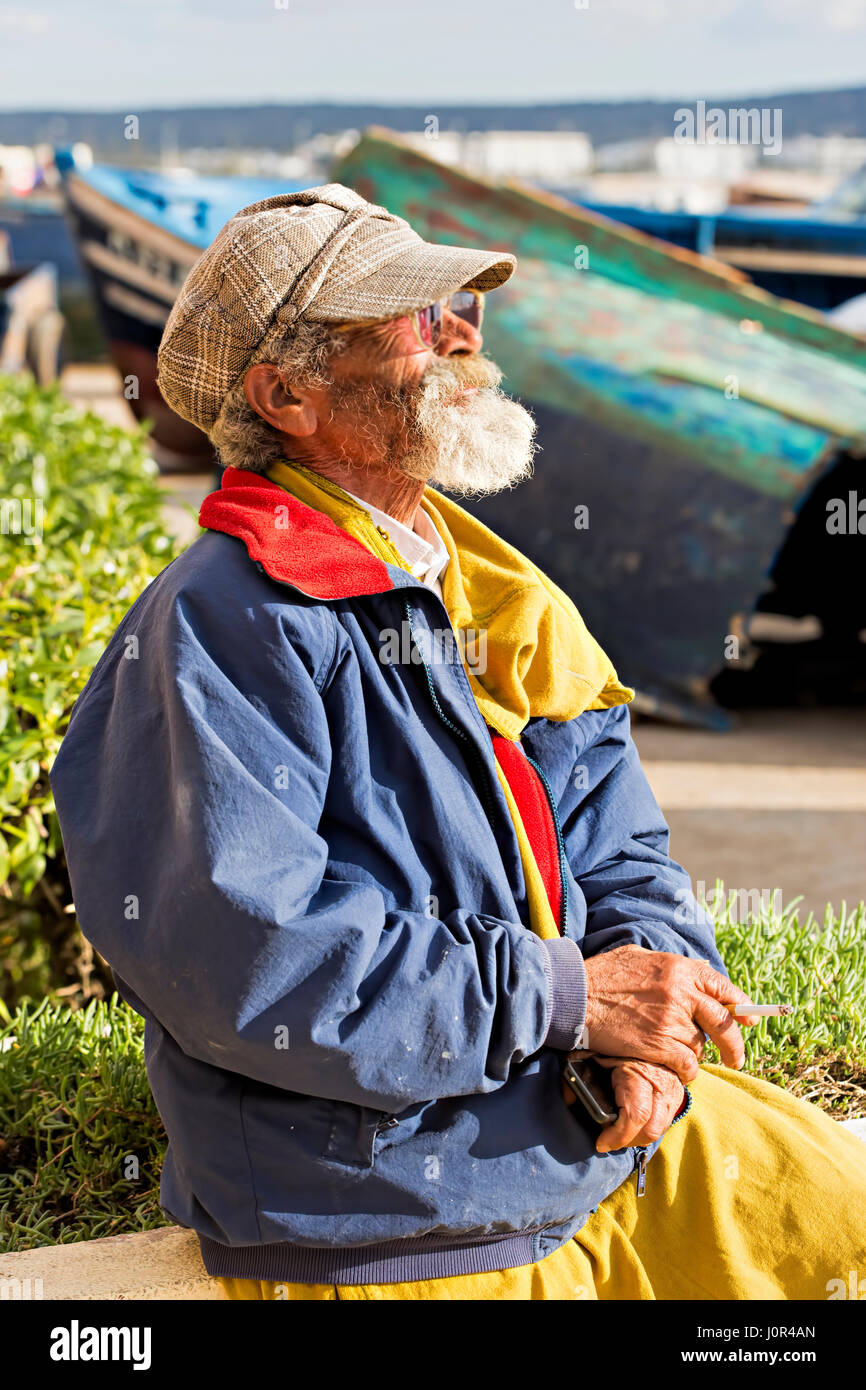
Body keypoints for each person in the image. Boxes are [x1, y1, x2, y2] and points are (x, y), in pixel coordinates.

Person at [50, 184, 866, 1301]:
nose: (463, 334)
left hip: (589, 1143)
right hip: (393, 1213)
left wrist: (648, 1026)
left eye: (454, 307)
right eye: (414, 317)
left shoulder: (497, 594)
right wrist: (570, 1000)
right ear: (284, 394)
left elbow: (618, 844)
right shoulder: (222, 623)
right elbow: (252, 958)